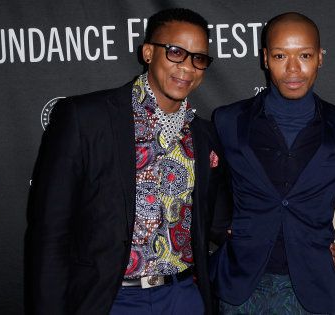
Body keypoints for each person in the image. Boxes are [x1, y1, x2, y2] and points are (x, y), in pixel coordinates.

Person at [27, 8, 230, 315]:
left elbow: (221, 222)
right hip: (112, 299)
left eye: (198, 58)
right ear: (148, 52)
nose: (187, 67)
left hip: (184, 296)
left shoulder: (203, 135)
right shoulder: (86, 119)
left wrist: (306, 241)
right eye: (176, 52)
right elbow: (50, 233)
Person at [209, 12, 335, 314]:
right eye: (280, 56)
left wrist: (319, 240)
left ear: (320, 57)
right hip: (241, 288)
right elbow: (208, 187)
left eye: (304, 55)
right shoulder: (228, 121)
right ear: (266, 58)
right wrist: (223, 229)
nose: (293, 69)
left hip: (312, 289)